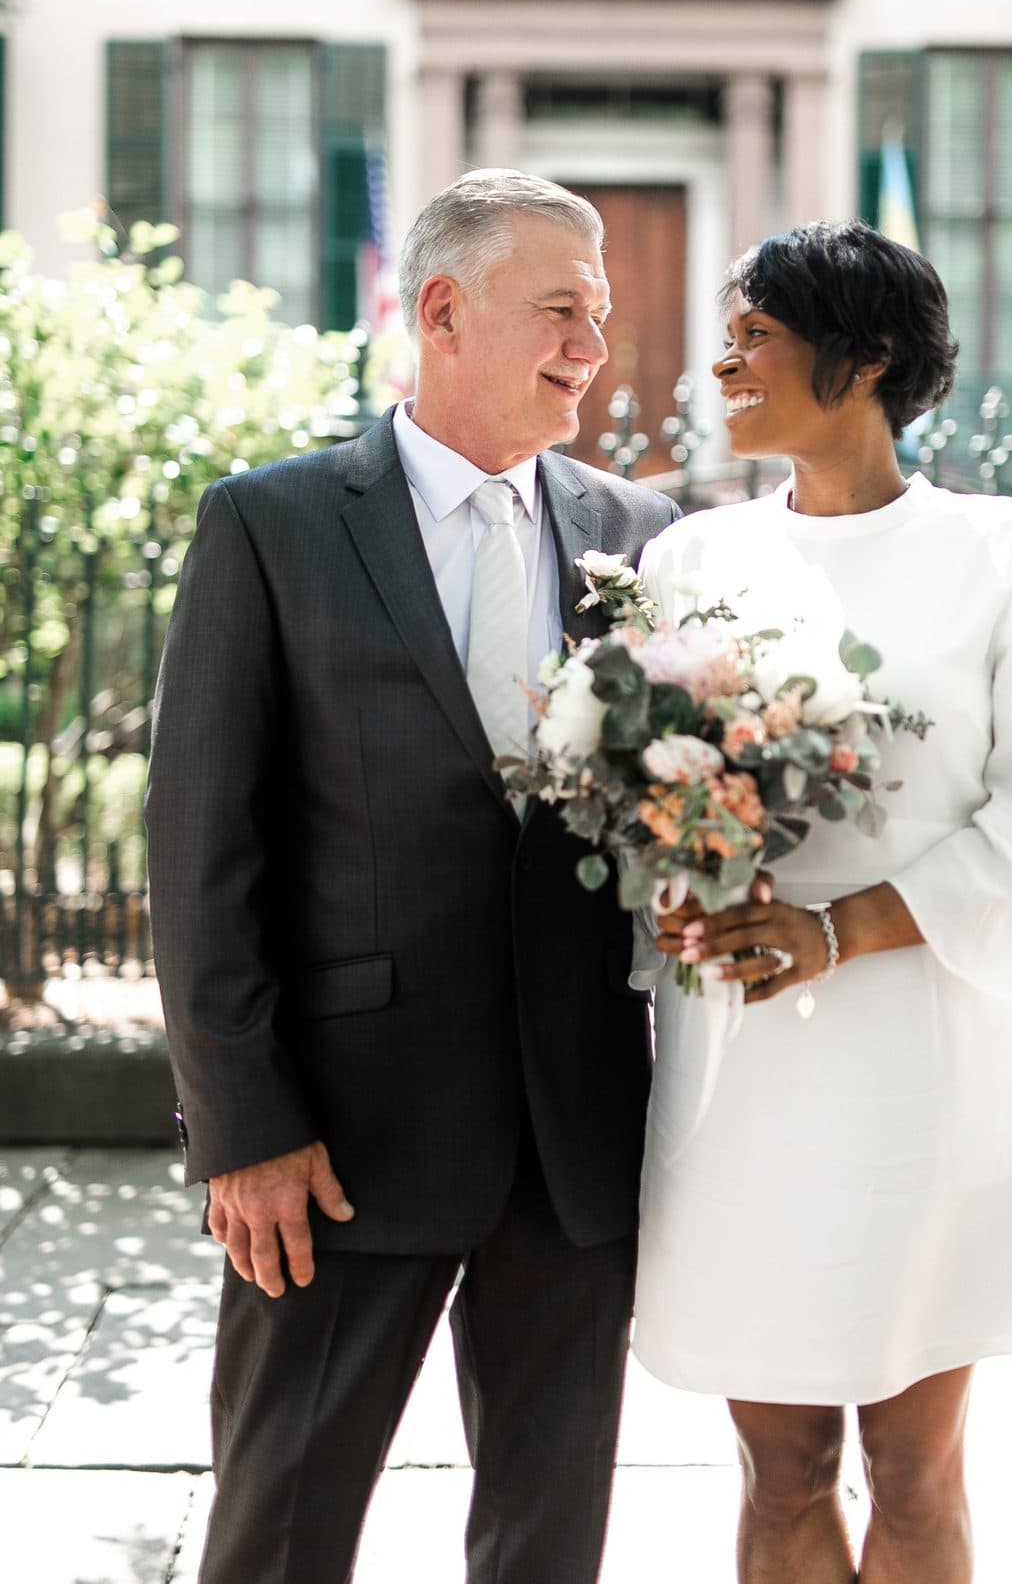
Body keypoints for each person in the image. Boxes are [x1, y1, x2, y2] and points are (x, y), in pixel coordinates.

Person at [145, 169, 679, 1584]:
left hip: (576, 1142)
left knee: (549, 1539)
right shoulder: (273, 524)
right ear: (443, 310)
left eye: (602, 314)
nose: (593, 346)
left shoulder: (645, 536)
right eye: (562, 310)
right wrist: (242, 1123)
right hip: (335, 1146)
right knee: (280, 1528)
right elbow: (202, 848)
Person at [632, 220, 1012, 1584]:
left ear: (867, 358)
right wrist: (677, 893)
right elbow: (658, 796)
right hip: (743, 1068)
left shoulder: (1007, 553)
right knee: (780, 1468)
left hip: (933, 1061)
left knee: (912, 1468)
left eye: (755, 336)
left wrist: (838, 929)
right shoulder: (689, 559)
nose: (722, 359)